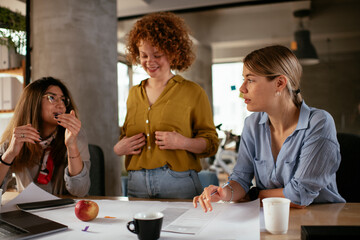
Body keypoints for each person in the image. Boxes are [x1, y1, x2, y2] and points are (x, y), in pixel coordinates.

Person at [193, 45, 345, 211]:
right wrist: (225, 193)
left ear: (279, 83)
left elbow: (299, 196)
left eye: (250, 80)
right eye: (243, 79)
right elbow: (241, 179)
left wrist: (252, 195)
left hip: (319, 219)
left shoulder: (318, 122)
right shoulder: (252, 124)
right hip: (268, 216)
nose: (242, 88)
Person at [113, 12, 218, 199]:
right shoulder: (133, 94)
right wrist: (119, 149)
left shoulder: (193, 92)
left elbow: (211, 144)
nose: (149, 62)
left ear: (173, 52)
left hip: (179, 182)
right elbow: (125, 137)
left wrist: (183, 142)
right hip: (136, 183)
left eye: (157, 55)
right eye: (143, 55)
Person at [0, 77, 90, 197]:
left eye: (63, 100)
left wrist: (72, 146)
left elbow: (80, 191)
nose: (61, 105)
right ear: (33, 103)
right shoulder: (16, 138)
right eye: (52, 98)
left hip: (64, 211)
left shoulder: (74, 135)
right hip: (27, 212)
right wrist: (10, 154)